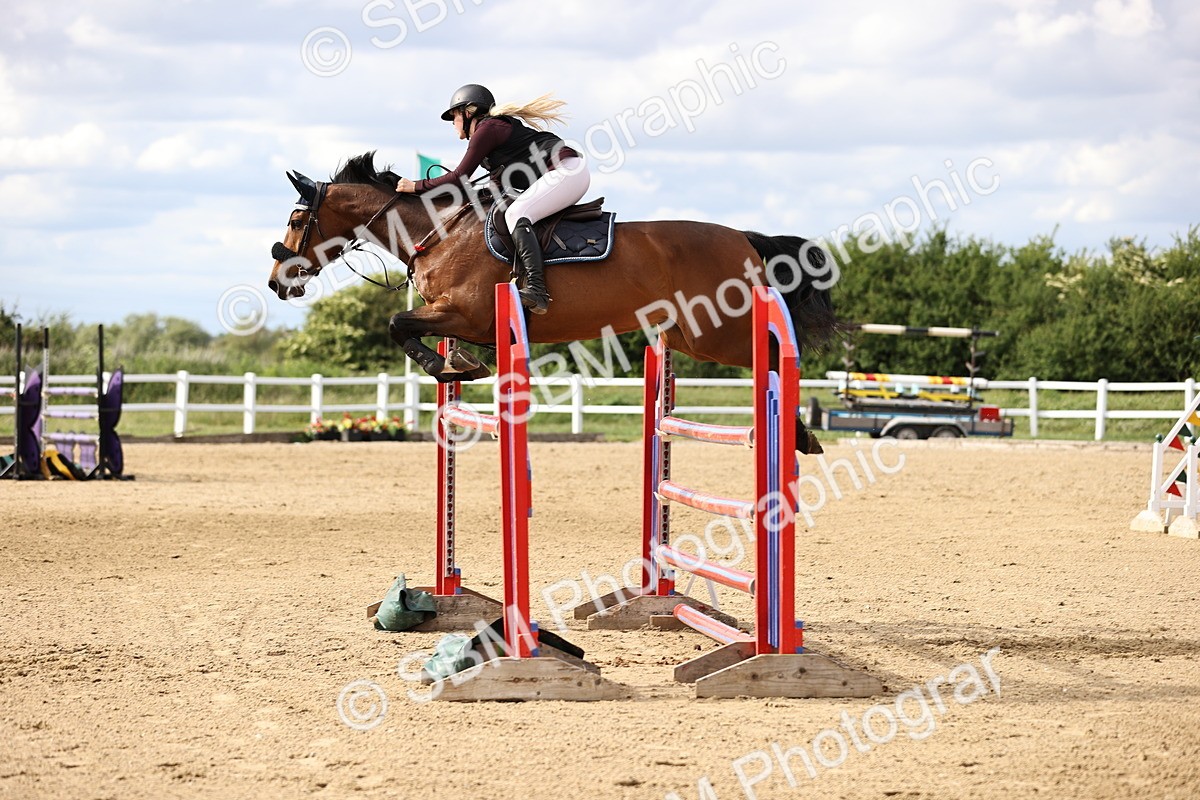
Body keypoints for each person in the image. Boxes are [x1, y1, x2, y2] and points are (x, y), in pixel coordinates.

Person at [395, 84, 590, 314]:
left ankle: (537, 290)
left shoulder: (488, 130)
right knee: (508, 211)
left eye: (454, 117)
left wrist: (415, 186)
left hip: (566, 171)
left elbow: (460, 177)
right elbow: (493, 190)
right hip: (561, 173)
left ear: (469, 113)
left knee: (517, 213)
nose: (453, 124)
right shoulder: (492, 138)